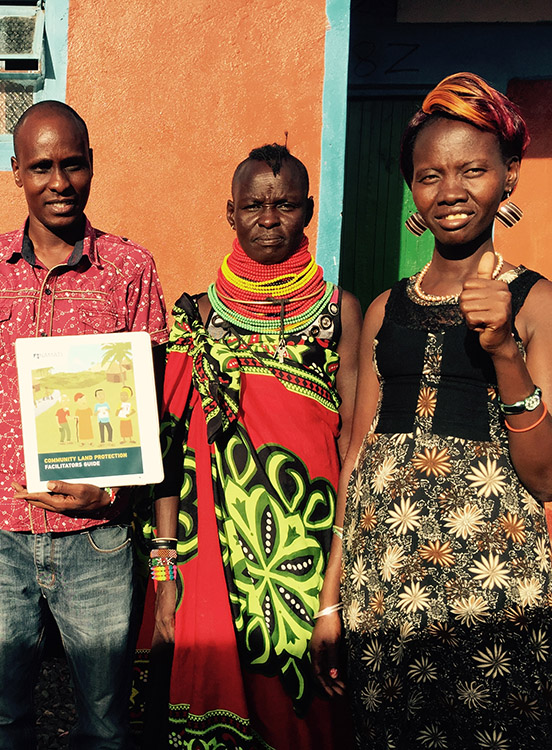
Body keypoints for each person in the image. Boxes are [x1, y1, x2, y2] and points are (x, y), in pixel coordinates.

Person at [313, 72, 552, 747]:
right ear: (412, 187)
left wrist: (504, 350)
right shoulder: (385, 309)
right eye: (431, 175)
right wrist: (332, 597)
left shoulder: (536, 302)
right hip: (382, 584)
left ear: (508, 177)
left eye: (473, 170)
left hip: (490, 593)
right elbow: (356, 457)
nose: (451, 191)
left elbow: (546, 477)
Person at [0, 100, 167, 749]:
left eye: (72, 165)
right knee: (1, 713)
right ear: (17, 171)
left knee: (103, 719)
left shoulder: (130, 268)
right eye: (42, 167)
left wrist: (116, 489)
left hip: (96, 530)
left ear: (91, 166)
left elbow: (144, 401)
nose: (59, 182)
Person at [135, 144, 361, 749]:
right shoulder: (195, 315)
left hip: (309, 548)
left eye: (285, 204)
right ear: (229, 212)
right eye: (254, 205)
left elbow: (356, 439)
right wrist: (165, 569)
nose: (269, 218)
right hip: (211, 553)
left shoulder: (341, 312)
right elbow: (168, 451)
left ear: (308, 210)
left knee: (305, 707)